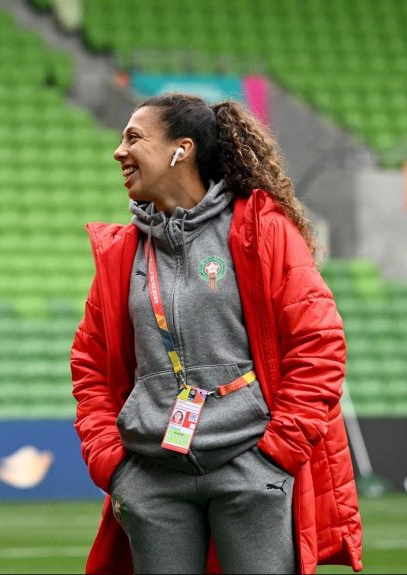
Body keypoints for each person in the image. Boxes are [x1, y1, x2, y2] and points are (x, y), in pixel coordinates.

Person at [71, 93, 363, 574]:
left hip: (251, 467)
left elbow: (320, 344)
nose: (119, 152)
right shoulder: (121, 252)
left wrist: (276, 455)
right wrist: (114, 465)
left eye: (134, 138)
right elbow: (89, 364)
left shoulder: (260, 229)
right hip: (152, 476)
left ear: (180, 150)